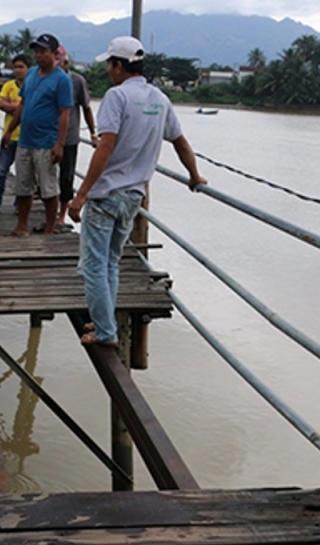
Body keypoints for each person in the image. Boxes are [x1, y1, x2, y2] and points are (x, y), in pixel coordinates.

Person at [67, 36, 205, 347]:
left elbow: (106, 145)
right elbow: (180, 141)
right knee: (111, 262)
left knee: (93, 266)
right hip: (133, 196)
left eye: (110, 64)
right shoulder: (159, 99)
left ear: (119, 65)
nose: (108, 70)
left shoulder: (117, 98)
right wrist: (194, 175)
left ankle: (104, 332)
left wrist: (81, 194)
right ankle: (105, 322)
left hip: (106, 196)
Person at [0, 33, 73, 237]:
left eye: (44, 52)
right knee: (23, 185)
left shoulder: (61, 80)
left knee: (48, 188)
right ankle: (21, 225)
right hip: (25, 140)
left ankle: (50, 227)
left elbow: (64, 114)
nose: (39, 56)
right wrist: (8, 132)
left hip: (46, 142)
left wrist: (59, 144)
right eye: (37, 52)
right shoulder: (31, 74)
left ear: (54, 54)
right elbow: (22, 105)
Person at [55, 48, 97, 232]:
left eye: (59, 62)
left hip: (70, 137)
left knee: (66, 177)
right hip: (46, 136)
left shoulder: (77, 81)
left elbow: (86, 107)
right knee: (44, 176)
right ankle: (50, 211)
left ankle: (61, 216)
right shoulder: (44, 78)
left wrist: (93, 133)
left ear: (66, 63)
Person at [0, 53, 29, 216]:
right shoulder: (9, 85)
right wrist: (19, 107)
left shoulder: (32, 86)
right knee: (0, 172)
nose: (18, 70)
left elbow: (29, 107)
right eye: (15, 67)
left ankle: (19, 205)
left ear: (28, 69)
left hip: (26, 138)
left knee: (22, 175)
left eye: (21, 67)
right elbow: (0, 103)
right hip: (8, 136)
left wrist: (12, 105)